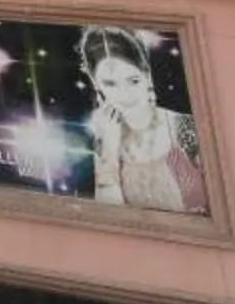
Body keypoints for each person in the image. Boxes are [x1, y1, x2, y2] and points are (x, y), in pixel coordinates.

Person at [79, 25, 208, 215]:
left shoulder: (183, 127)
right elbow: (110, 217)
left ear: (147, 76)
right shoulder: (104, 136)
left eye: (133, 80)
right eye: (110, 84)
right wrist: (110, 149)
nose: (125, 95)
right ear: (96, 84)